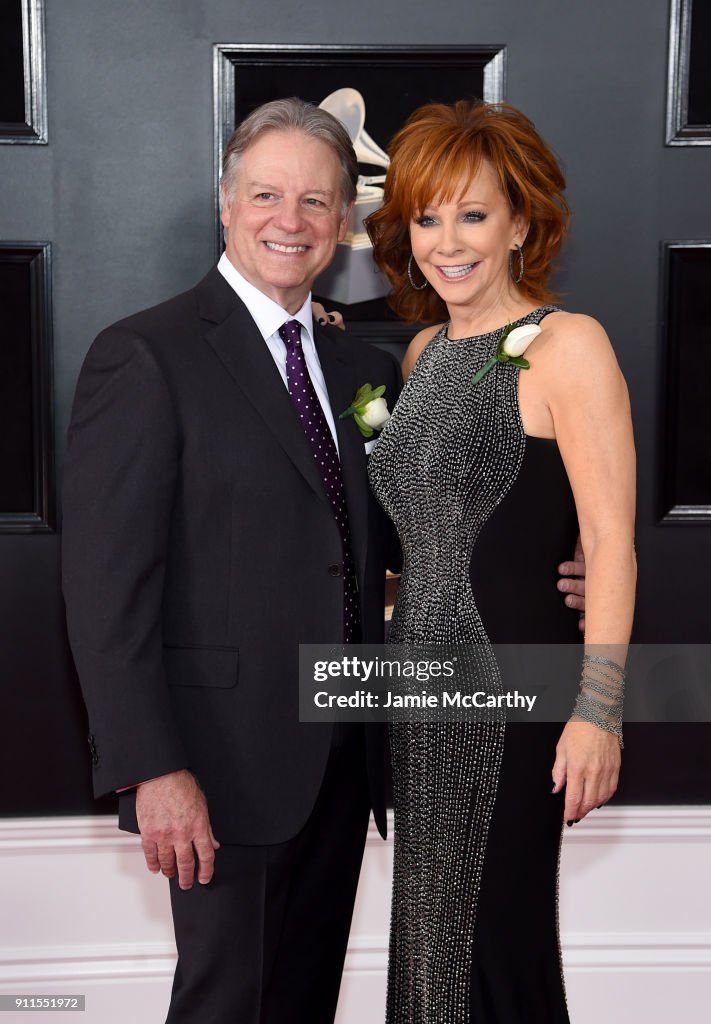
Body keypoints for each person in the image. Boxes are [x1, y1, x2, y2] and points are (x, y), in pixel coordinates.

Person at [61, 97, 403, 1024]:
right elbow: (106, 591)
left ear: (343, 222)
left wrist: (557, 560)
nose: (289, 221)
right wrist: (151, 767)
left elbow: (380, 534)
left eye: (316, 202)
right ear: (225, 202)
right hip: (215, 766)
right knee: (225, 1007)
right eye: (266, 195)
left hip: (340, 756)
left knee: (300, 1007)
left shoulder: (351, 367)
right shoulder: (145, 356)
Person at [366, 100, 636, 1022]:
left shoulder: (569, 345)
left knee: (496, 933)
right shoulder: (422, 353)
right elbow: (425, 534)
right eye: (426, 216)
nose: (447, 240)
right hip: (419, 691)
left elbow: (606, 542)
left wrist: (597, 714)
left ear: (521, 222)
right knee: (428, 936)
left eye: (472, 214)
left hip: (516, 692)